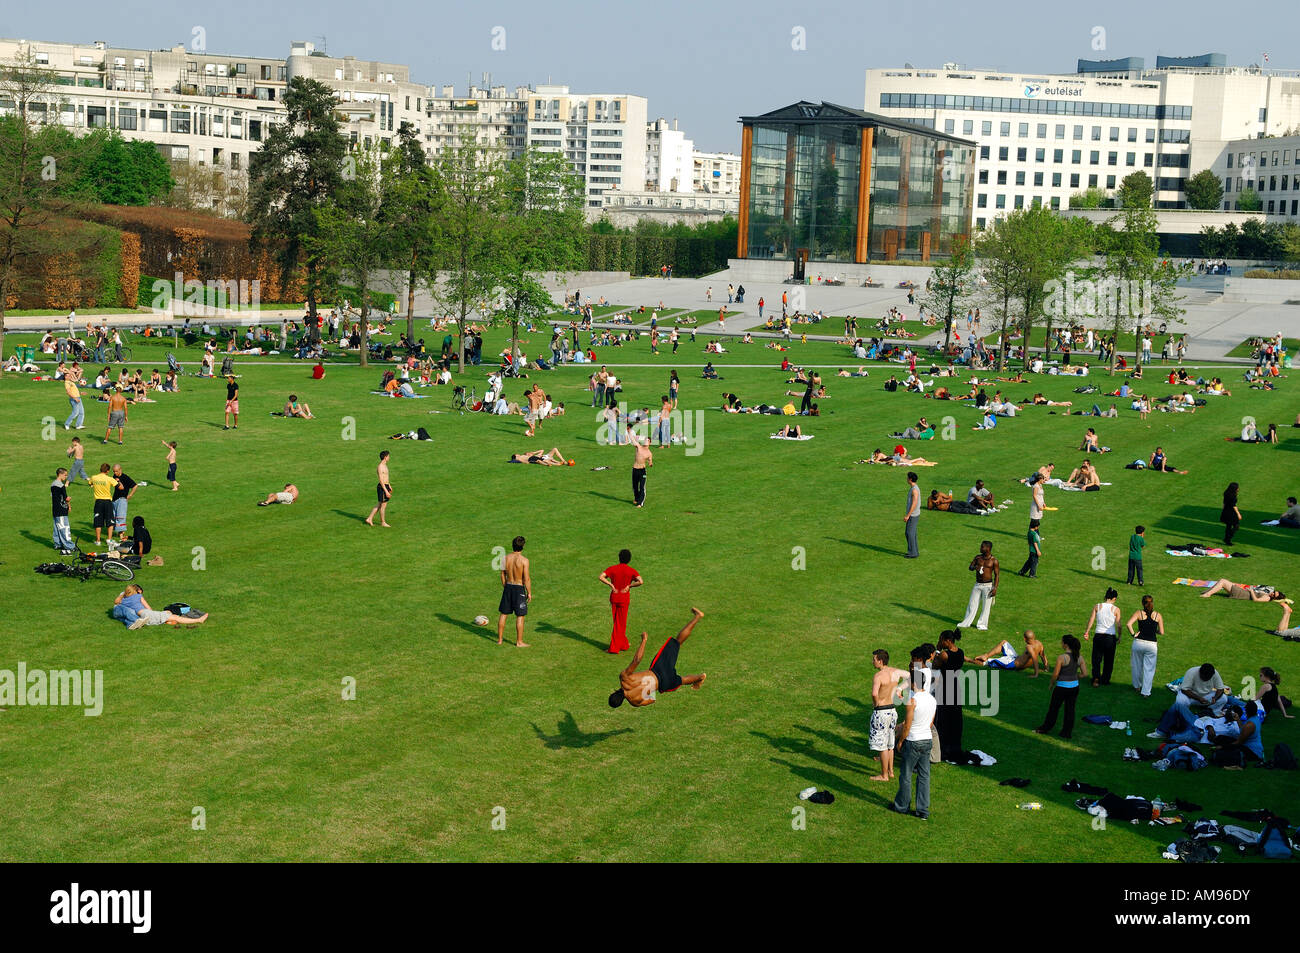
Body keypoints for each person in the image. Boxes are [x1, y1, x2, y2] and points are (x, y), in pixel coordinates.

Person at [608, 608, 707, 708]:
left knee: (683, 680)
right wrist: (644, 641)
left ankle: (700, 677)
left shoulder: (635, 702)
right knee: (677, 642)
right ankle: (698, 616)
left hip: (664, 683)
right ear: (613, 693)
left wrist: (648, 688)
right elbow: (637, 660)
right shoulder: (624, 678)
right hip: (659, 669)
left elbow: (652, 699)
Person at [890, 662, 936, 820]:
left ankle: (902, 806)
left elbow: (907, 725)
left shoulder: (912, 701)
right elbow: (930, 723)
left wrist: (901, 741)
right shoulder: (931, 699)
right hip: (927, 740)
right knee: (924, 775)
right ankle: (923, 810)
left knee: (906, 775)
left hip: (913, 740)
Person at [1034, 635, 1087, 739]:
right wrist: (1074, 677)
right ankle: (1066, 733)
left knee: (1054, 708)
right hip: (1074, 687)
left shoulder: (1062, 658)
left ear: (1066, 645)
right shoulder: (1079, 657)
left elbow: (1055, 675)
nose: (1061, 644)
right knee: (1070, 710)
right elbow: (1084, 674)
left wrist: (1051, 684)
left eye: (1062, 642)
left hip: (1062, 688)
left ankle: (1045, 728)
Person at [868, 649, 909, 781]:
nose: (872, 661)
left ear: (880, 661)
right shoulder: (895, 672)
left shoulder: (879, 676)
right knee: (890, 744)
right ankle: (891, 772)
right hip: (892, 711)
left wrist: (876, 704)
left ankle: (884, 775)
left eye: (874, 659)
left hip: (881, 711)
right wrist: (899, 689)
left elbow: (874, 693)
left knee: (882, 745)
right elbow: (911, 676)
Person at [599, 549, 642, 654]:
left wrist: (610, 584)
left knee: (617, 622)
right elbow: (640, 581)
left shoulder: (613, 569)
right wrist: (629, 586)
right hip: (624, 599)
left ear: (619, 558)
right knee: (620, 623)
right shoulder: (631, 570)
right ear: (629, 559)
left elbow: (601, 577)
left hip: (614, 597)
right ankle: (614, 648)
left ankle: (623, 644)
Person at [112, 584, 208, 629]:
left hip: (142, 615)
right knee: (175, 616)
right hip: (146, 613)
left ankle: (166, 621)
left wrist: (123, 594)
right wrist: (153, 613)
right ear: (137, 591)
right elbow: (148, 607)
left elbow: (116, 602)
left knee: (167, 613)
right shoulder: (138, 596)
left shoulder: (124, 600)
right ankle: (198, 620)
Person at [934, 630, 966, 760]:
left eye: (941, 639)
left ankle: (943, 747)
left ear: (947, 640)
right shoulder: (961, 652)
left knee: (943, 718)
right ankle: (954, 745)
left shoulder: (944, 655)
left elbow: (936, 666)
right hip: (956, 686)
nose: (940, 642)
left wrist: (937, 649)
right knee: (955, 717)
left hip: (945, 687)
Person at [497, 536, 532, 648]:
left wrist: (505, 586)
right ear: (523, 546)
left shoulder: (504, 558)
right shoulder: (524, 560)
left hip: (508, 587)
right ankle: (519, 642)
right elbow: (526, 579)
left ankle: (500, 640)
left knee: (504, 614)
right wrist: (529, 592)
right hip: (518, 588)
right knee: (520, 616)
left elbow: (502, 574)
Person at [1083, 588, 1121, 687]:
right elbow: (1119, 625)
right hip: (1110, 637)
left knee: (1096, 659)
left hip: (1098, 635)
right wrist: (1119, 636)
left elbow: (1091, 619)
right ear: (1114, 598)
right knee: (1109, 660)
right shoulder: (1116, 609)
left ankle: (1096, 678)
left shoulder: (1097, 606)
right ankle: (1105, 679)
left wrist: (1087, 631)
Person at [1126, 594, 1162, 697]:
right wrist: (1155, 631)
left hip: (1138, 643)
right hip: (1152, 645)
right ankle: (1146, 692)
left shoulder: (1139, 613)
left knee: (1136, 665)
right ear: (1152, 603)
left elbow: (1129, 624)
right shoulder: (1158, 615)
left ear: (1142, 603)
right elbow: (1162, 632)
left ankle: (1137, 686)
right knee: (1149, 669)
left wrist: (1133, 634)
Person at [957, 541, 998, 630]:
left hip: (988, 586)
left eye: (982, 547)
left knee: (986, 607)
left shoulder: (994, 560)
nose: (980, 548)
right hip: (977, 585)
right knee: (972, 604)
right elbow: (970, 567)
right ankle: (966, 623)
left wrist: (995, 588)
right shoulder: (978, 557)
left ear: (988, 548)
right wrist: (976, 567)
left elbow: (997, 575)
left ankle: (982, 624)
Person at [970, 630, 1046, 675]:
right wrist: (1046, 667)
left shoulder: (1029, 647)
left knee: (986, 662)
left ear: (1024, 638)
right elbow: (1043, 656)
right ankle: (986, 655)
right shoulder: (1039, 643)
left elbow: (1035, 659)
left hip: (1012, 664)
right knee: (1004, 642)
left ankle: (967, 660)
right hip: (1015, 658)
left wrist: (1036, 674)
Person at [88, 463, 116, 546]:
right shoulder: (109, 479)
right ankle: (109, 539)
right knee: (110, 520)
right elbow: (119, 487)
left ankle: (98, 540)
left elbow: (90, 483)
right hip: (107, 502)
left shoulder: (94, 477)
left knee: (98, 521)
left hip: (98, 502)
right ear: (107, 471)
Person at [365, 450, 393, 527]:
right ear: (385, 457)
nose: (389, 457)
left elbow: (386, 477)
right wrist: (386, 491)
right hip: (382, 487)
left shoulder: (385, 465)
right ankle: (383, 522)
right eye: (388, 456)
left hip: (386, 486)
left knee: (380, 504)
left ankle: (369, 518)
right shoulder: (380, 467)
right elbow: (381, 480)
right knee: (383, 506)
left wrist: (389, 485)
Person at [111, 464, 137, 541]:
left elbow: (135, 486)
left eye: (116, 471)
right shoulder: (114, 477)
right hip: (114, 499)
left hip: (122, 499)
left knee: (120, 516)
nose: (115, 473)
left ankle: (121, 535)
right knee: (114, 516)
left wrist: (130, 495)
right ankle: (119, 532)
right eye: (114, 471)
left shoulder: (125, 478)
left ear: (120, 469)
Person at [1199, 579, 1287, 602]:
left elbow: (1256, 600)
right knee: (1222, 581)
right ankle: (1208, 592)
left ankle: (1208, 594)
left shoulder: (1267, 598)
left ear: (1274, 598)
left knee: (1223, 581)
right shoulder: (1268, 594)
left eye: (1274, 595)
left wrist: (1251, 590)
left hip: (1242, 594)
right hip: (1243, 591)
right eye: (1274, 592)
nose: (1272, 593)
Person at [51, 467, 73, 554]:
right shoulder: (61, 486)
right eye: (65, 475)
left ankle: (58, 544)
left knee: (56, 528)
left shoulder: (53, 484)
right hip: (61, 510)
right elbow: (65, 498)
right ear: (60, 474)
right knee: (64, 528)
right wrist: (69, 505)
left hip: (55, 509)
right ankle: (69, 546)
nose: (66, 477)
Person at [630, 426, 652, 508]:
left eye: (648, 440)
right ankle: (636, 498)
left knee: (642, 487)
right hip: (635, 469)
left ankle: (640, 503)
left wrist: (650, 463)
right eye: (646, 440)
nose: (646, 441)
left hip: (642, 471)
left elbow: (650, 461)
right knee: (635, 486)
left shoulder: (649, 453)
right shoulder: (639, 447)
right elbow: (632, 439)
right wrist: (631, 432)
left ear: (650, 443)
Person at [903, 471, 920, 558]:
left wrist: (908, 515)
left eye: (907, 478)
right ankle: (914, 551)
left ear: (910, 479)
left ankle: (912, 553)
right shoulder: (914, 488)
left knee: (909, 533)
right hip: (914, 515)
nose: (906, 479)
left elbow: (914, 503)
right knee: (911, 533)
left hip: (913, 515)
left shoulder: (914, 490)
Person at [1221, 482, 1241, 546]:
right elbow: (1233, 505)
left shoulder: (1226, 493)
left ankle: (1227, 539)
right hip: (1231, 512)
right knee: (1236, 526)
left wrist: (1223, 510)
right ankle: (1228, 538)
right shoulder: (1232, 496)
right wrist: (1238, 514)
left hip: (1226, 511)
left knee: (1228, 526)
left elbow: (1224, 502)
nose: (1238, 489)